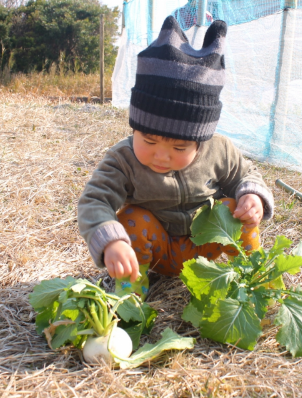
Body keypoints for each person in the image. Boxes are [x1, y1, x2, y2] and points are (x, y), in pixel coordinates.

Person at [78, 16, 274, 297]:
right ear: (134, 127)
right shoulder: (123, 160)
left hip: (205, 247)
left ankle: (255, 287)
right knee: (131, 218)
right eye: (148, 140)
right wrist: (111, 241)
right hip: (158, 250)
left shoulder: (219, 150)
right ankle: (130, 296)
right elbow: (94, 200)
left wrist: (252, 197)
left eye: (179, 148)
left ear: (201, 140)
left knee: (234, 209)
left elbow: (245, 175)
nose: (161, 155)